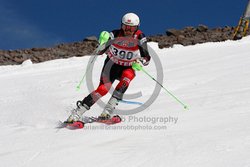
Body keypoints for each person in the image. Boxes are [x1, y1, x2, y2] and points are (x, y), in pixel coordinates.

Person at [66, 13, 151, 123]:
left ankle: (108, 111)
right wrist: (102, 42)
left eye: (132, 28)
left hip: (127, 67)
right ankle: (77, 113)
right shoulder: (114, 34)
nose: (128, 31)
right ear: (121, 25)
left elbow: (147, 57)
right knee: (103, 89)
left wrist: (140, 61)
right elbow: (99, 51)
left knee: (128, 76)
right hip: (111, 66)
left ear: (137, 28)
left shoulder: (140, 37)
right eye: (126, 27)